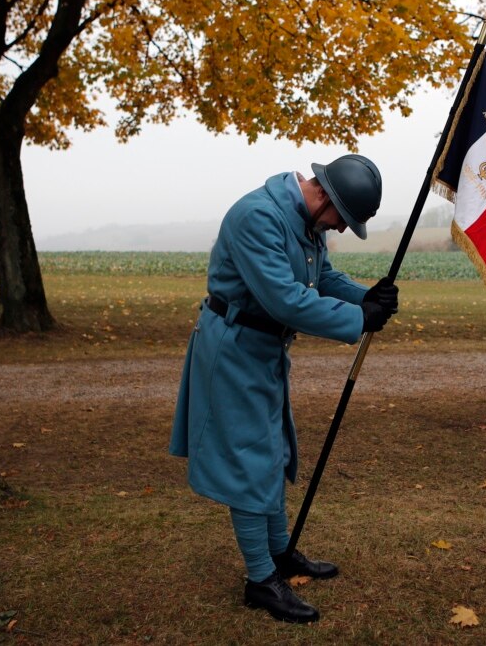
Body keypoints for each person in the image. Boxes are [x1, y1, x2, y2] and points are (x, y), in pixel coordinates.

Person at [169, 154, 399, 624]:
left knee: (272, 451)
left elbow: (322, 278)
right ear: (324, 197)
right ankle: (261, 580)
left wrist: (365, 296)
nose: (338, 229)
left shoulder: (306, 222)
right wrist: (359, 320)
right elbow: (286, 299)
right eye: (342, 219)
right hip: (233, 349)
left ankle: (280, 552)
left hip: (265, 350)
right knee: (248, 461)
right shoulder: (257, 216)